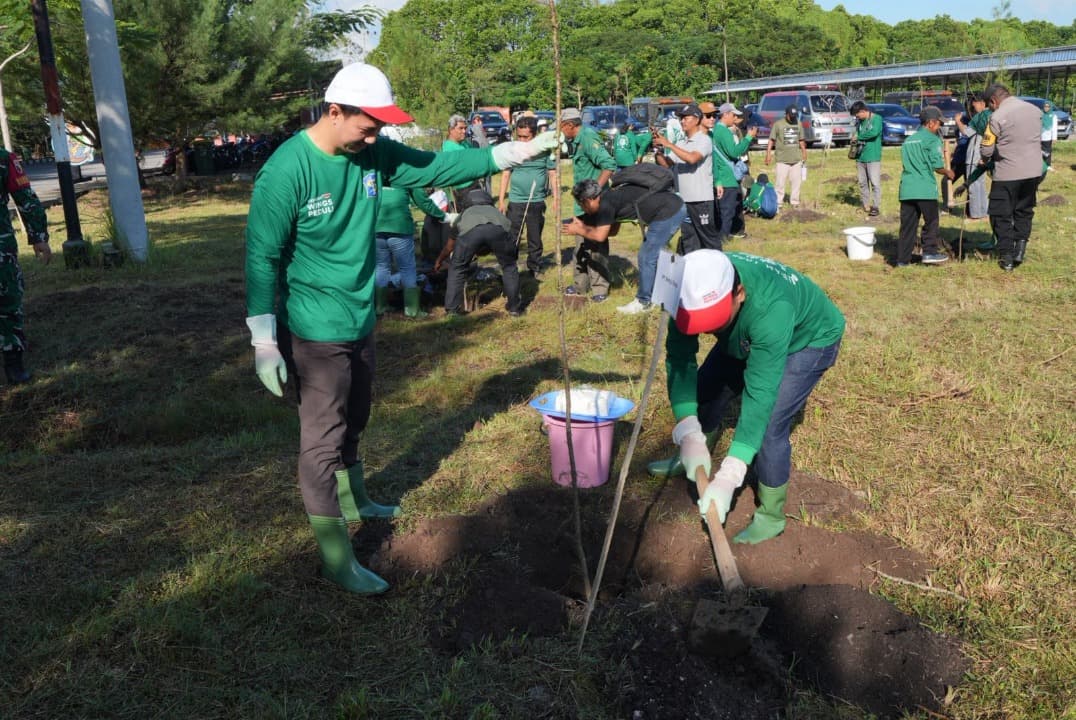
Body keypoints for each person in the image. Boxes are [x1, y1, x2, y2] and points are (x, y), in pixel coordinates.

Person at [244, 63, 556, 595]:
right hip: (316, 328)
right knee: (321, 441)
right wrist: (263, 338)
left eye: (381, 127)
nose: (378, 135)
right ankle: (337, 555)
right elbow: (261, 257)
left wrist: (510, 153)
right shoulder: (286, 172)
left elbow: (436, 169)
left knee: (358, 413)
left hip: (361, 316)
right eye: (369, 125)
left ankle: (356, 496)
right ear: (334, 111)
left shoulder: (374, 152)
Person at [648, 249, 844, 545]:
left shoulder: (771, 309)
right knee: (705, 389)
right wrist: (688, 432)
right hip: (746, 330)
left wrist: (730, 474)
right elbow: (679, 358)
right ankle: (693, 456)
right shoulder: (686, 283)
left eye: (713, 321)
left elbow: (760, 395)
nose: (707, 331)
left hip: (810, 340)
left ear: (738, 293)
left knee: (770, 426)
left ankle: (771, 515)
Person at [566, 177, 686, 315]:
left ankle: (644, 302)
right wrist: (584, 227)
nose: (583, 209)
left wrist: (578, 230)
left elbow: (600, 236)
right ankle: (657, 292)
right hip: (672, 207)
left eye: (581, 205)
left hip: (670, 212)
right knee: (651, 254)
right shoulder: (610, 196)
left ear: (588, 200)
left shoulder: (606, 204)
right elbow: (613, 231)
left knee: (647, 256)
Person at [980, 84, 1043, 271]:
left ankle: (1006, 256)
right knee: (1024, 211)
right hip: (1033, 171)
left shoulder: (996, 117)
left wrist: (984, 160)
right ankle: (1020, 250)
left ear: (993, 101)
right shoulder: (1034, 110)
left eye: (989, 105)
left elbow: (987, 148)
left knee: (1001, 214)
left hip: (1007, 173)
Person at [0, 148, 50, 385]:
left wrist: (38, 236)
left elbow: (25, 197)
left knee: (8, 303)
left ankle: (13, 364)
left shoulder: (2, 158)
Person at [560, 107, 617, 302]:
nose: (560, 131)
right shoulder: (574, 140)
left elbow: (609, 165)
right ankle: (580, 286)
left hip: (593, 204)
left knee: (595, 249)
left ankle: (600, 289)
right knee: (580, 247)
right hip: (582, 205)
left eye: (561, 126)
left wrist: (594, 192)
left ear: (569, 125)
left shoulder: (587, 137)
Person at [436, 188, 523, 317]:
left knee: (457, 269)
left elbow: (449, 247)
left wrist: (439, 260)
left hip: (470, 235)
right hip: (498, 231)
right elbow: (512, 239)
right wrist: (510, 257)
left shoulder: (462, 216)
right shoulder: (497, 213)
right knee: (509, 267)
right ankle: (514, 308)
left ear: (466, 204)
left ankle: (452, 311)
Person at [375, 184, 455, 318]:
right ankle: (412, 311)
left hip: (376, 227)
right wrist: (445, 217)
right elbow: (422, 200)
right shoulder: (405, 174)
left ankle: (380, 308)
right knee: (407, 268)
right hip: (400, 227)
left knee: (381, 267)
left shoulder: (372, 173)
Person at [653, 103, 719, 254]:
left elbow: (692, 159)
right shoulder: (682, 143)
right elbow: (667, 164)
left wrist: (668, 144)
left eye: (685, 118)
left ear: (696, 120)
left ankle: (722, 270)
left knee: (708, 240)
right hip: (684, 200)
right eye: (681, 118)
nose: (682, 121)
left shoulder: (704, 140)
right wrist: (658, 149)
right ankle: (692, 272)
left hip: (701, 200)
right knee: (689, 239)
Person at [896, 106, 955, 266]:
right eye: (938, 124)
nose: (939, 127)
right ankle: (929, 252)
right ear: (930, 123)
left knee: (907, 226)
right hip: (925, 189)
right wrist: (947, 172)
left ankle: (902, 260)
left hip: (907, 189)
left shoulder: (909, 140)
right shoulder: (932, 139)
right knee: (931, 222)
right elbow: (936, 166)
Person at [498, 116, 556, 277]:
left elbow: (552, 173)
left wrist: (556, 198)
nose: (522, 140)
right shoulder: (512, 149)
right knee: (512, 236)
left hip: (536, 201)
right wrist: (502, 200)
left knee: (535, 237)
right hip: (516, 201)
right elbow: (505, 173)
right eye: (519, 136)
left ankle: (534, 267)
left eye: (526, 137)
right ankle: (510, 268)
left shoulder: (544, 150)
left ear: (535, 135)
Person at [705, 102, 757, 247]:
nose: (735, 118)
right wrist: (748, 138)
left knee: (720, 211)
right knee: (727, 212)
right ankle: (723, 240)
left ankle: (718, 237)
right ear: (725, 114)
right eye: (733, 115)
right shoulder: (724, 131)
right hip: (727, 178)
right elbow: (734, 152)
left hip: (720, 177)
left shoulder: (715, 130)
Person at [954, 93, 990, 220]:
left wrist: (958, 121)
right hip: (985, 156)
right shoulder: (992, 115)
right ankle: (984, 213)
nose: (973, 110)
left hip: (974, 156)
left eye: (974, 107)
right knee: (981, 186)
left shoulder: (980, 117)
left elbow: (966, 132)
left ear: (982, 103)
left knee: (973, 187)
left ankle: (975, 215)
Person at [765, 105, 808, 208]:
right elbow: (771, 140)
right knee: (780, 183)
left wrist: (804, 152)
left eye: (794, 116)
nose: (793, 118)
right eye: (791, 116)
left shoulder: (798, 123)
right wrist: (768, 154)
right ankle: (778, 203)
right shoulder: (778, 124)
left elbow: (801, 139)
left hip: (796, 160)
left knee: (796, 183)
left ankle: (795, 202)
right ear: (786, 114)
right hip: (782, 160)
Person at [850, 100, 883, 217]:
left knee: (875, 183)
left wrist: (859, 137)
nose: (856, 117)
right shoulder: (860, 122)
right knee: (863, 183)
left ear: (863, 111)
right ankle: (865, 204)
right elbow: (857, 135)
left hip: (873, 157)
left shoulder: (877, 119)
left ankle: (876, 206)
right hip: (860, 157)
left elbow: (874, 133)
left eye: (857, 114)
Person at [1040, 100, 1056, 171]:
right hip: (1040, 137)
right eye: (1045, 106)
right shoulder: (1041, 115)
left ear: (1050, 107)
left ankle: (1048, 165)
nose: (1046, 108)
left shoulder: (1053, 116)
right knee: (1040, 151)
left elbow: (1054, 128)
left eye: (1048, 106)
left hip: (1048, 137)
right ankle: (1041, 165)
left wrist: (1054, 138)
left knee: (1047, 152)